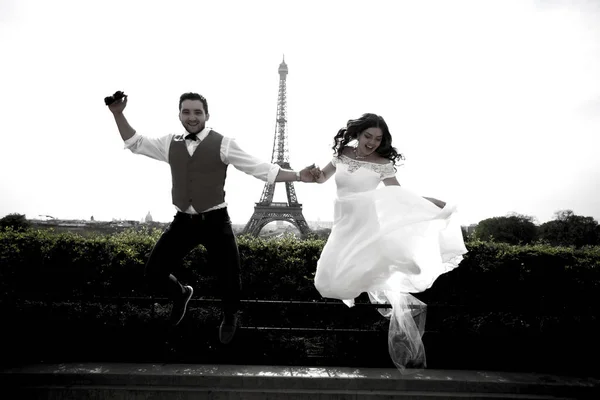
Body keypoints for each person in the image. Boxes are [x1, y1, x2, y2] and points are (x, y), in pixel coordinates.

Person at [106, 91, 315, 344]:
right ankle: (181, 294)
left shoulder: (223, 143)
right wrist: (118, 113)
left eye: (197, 112)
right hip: (184, 220)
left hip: (215, 220)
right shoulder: (169, 143)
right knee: (153, 272)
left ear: (207, 115)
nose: (192, 117)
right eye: (186, 112)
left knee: (230, 275)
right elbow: (136, 143)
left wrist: (297, 176)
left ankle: (229, 315)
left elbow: (260, 168)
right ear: (179, 114)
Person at [308, 113, 467, 372]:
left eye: (378, 138)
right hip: (343, 222)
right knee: (327, 281)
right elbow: (322, 178)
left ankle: (404, 268)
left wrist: (429, 204)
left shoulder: (383, 164)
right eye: (368, 136)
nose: (372, 142)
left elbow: (397, 195)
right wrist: (313, 173)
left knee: (380, 262)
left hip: (367, 219)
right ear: (357, 134)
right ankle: (395, 270)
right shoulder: (341, 154)